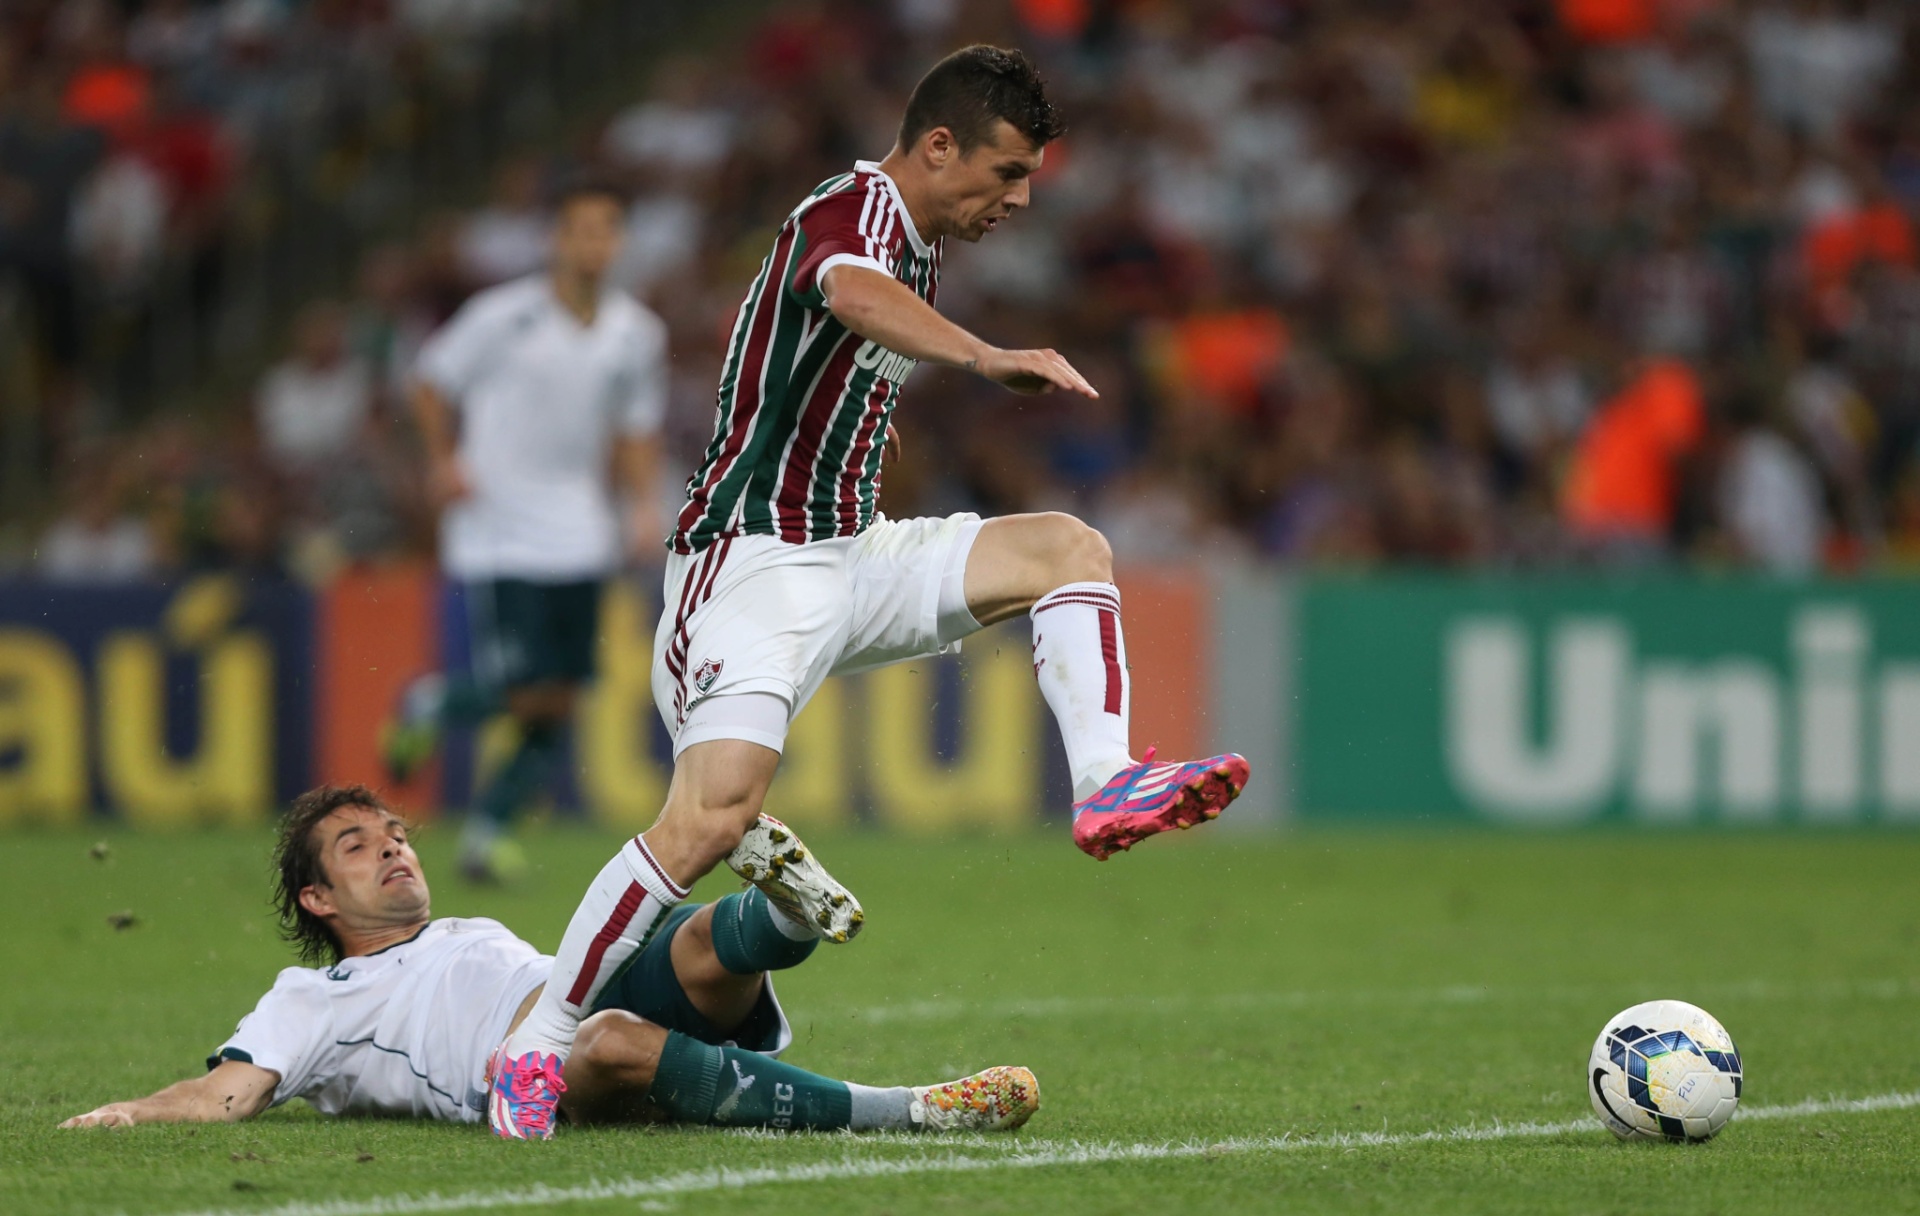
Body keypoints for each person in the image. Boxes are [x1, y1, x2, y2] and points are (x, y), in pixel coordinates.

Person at [486, 45, 1250, 1139]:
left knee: (1066, 549)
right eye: (1006, 172)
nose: (1021, 198)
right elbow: (847, 290)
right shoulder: (851, 213)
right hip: (747, 564)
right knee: (708, 818)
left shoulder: (920, 245)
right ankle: (539, 1044)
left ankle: (1105, 781)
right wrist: (985, 357)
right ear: (938, 146)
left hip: (853, 551)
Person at [57, 785, 1038, 1138]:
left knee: (694, 938)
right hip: (522, 1065)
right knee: (612, 1036)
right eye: (360, 846)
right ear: (317, 899)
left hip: (572, 988)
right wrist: (134, 1111)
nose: (396, 849)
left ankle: (787, 906)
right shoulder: (309, 994)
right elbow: (233, 1089)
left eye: (397, 835)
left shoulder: (458, 929)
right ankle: (909, 1108)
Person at [380, 177, 667, 881]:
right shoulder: (500, 316)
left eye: (606, 230)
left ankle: (486, 836)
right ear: (555, 240)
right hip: (499, 523)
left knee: (560, 695)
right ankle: (432, 703)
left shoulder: (636, 334)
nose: (593, 244)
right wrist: (446, 461)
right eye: (580, 230)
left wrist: (640, 507)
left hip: (580, 527)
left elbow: (634, 430)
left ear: (619, 242)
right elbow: (429, 380)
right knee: (521, 688)